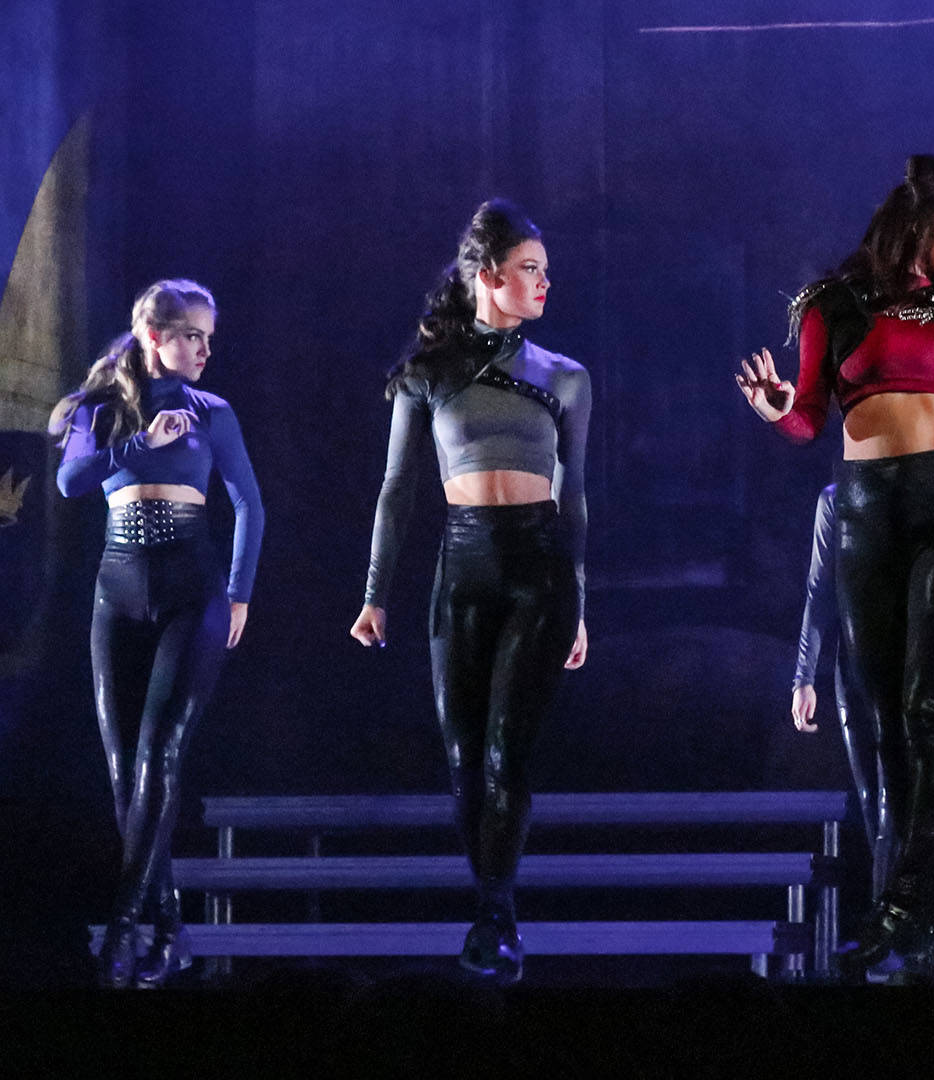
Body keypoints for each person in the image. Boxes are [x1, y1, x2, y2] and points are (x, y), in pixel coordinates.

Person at [737, 154, 934, 980]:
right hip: (864, 512)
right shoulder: (830, 306)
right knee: (879, 719)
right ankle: (913, 912)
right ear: (925, 228)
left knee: (927, 709)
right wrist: (779, 412)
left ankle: (908, 903)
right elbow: (811, 418)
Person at [350, 199, 590, 985]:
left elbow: (576, 494)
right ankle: (490, 904)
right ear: (488, 276)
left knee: (505, 751)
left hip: (540, 566)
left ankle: (496, 914)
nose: (545, 282)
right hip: (462, 566)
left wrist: (580, 598)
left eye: (547, 271)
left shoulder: (567, 377)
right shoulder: (427, 374)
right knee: (462, 755)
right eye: (530, 269)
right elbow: (395, 490)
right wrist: (375, 594)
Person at [51, 279, 263, 987]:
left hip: (191, 590)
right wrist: (138, 442)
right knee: (123, 769)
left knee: (159, 752)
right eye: (192, 335)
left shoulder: (214, 411)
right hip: (116, 592)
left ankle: (122, 926)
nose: (204, 349)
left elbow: (249, 508)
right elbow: (71, 482)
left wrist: (237, 595)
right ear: (155, 336)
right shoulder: (103, 407)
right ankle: (169, 926)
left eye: (209, 337)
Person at [790, 482, 934, 902]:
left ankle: (893, 924)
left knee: (891, 801)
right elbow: (818, 592)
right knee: (871, 801)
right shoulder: (834, 501)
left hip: (914, 666)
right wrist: (803, 678)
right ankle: (907, 914)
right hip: (855, 669)